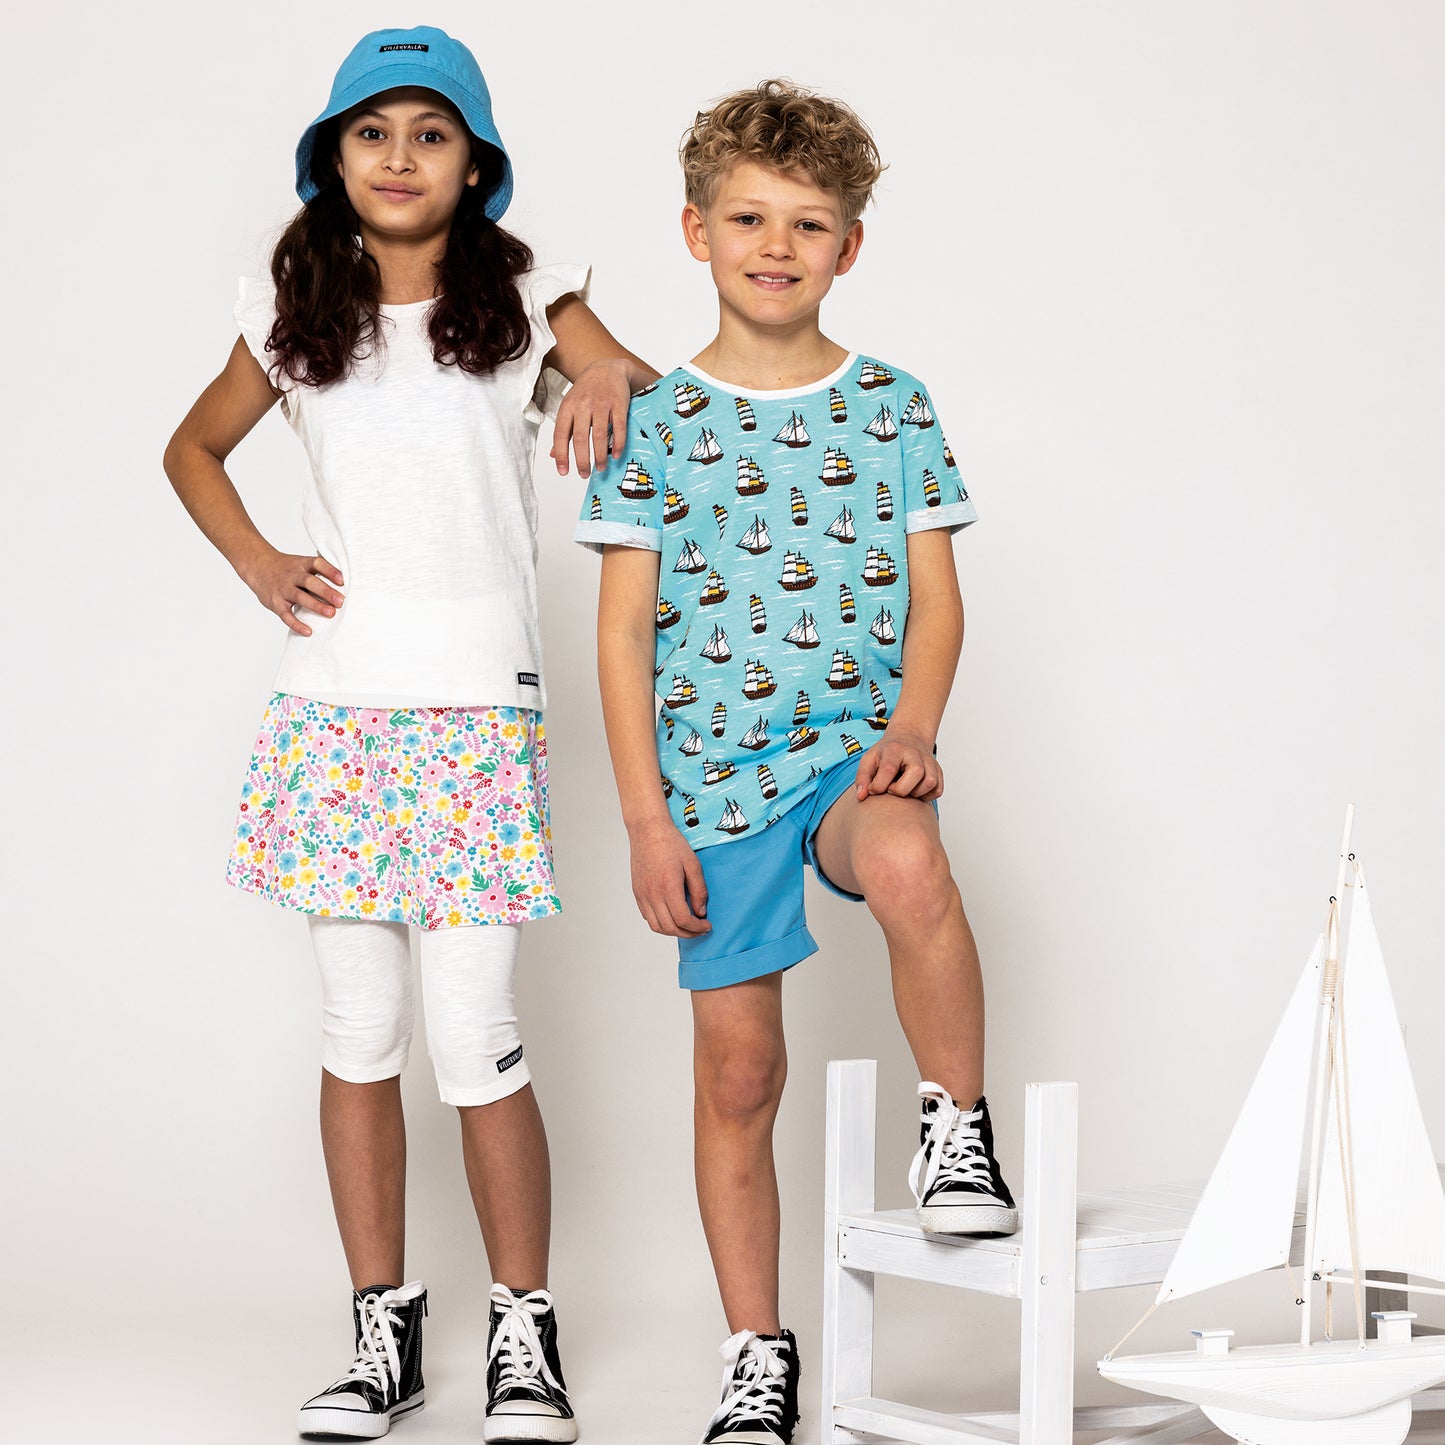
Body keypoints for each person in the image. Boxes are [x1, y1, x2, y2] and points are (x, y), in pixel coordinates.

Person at [164, 26, 654, 1443]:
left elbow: (629, 383)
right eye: (370, 132)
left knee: (476, 1033)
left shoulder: (524, 302)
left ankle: (523, 1333)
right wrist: (261, 561)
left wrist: (603, 371)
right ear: (332, 159)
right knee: (359, 1029)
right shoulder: (292, 309)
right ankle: (382, 1331)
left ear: (475, 165)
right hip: (336, 714)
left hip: (478, 710)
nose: (398, 156)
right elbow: (191, 448)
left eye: (430, 133)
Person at [574, 80, 1016, 1445]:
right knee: (739, 1072)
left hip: (849, 758)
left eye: (809, 223)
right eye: (749, 218)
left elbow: (937, 600)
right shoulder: (653, 423)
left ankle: (956, 1124)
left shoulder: (893, 405)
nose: (777, 245)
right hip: (709, 785)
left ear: (849, 246)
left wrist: (913, 730)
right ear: (695, 231)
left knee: (911, 864)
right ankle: (755, 1350)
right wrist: (645, 821)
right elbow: (621, 634)